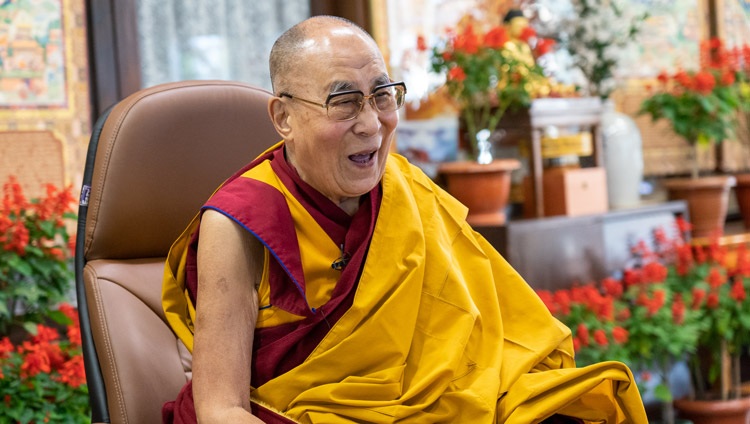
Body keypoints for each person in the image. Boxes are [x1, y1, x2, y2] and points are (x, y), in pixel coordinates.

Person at [161, 15, 647, 424]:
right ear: (283, 117)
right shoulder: (240, 221)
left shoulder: (405, 189)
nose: (372, 123)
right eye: (344, 101)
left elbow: (494, 341)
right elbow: (221, 408)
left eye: (383, 95)